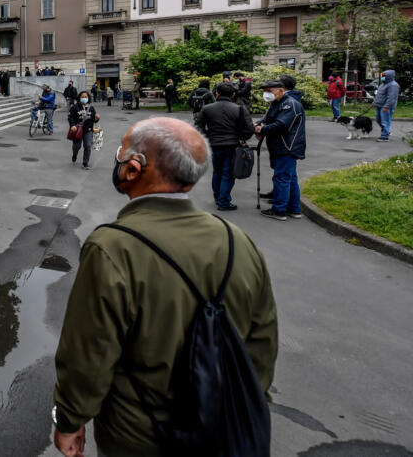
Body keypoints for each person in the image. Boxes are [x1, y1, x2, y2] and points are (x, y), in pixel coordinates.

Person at [52, 118, 278, 457]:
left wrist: (70, 419)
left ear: (132, 168)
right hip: (223, 432)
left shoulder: (112, 247)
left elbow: (90, 352)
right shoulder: (238, 241)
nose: (117, 158)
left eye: (121, 151)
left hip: (138, 436)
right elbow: (261, 342)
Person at [197, 82, 254, 211]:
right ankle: (223, 201)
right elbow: (249, 128)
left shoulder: (207, 108)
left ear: (217, 93)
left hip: (214, 144)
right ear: (233, 94)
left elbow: (198, 127)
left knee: (217, 171)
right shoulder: (239, 109)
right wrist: (242, 138)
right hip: (232, 145)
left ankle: (218, 197)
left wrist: (208, 136)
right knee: (228, 173)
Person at [254, 79, 306, 221]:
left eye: (269, 91)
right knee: (290, 179)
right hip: (281, 146)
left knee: (282, 179)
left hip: (287, 147)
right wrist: (257, 125)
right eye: (264, 91)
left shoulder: (290, 104)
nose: (266, 94)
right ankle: (294, 209)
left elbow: (281, 125)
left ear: (281, 90)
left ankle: (279, 210)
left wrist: (262, 129)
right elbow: (267, 119)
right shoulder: (277, 103)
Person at [68, 91, 98, 170]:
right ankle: (75, 154)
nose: (84, 98)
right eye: (83, 97)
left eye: (86, 97)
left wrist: (97, 118)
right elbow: (70, 117)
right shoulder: (75, 107)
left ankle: (85, 163)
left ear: (88, 98)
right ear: (79, 98)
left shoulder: (91, 108)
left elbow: (94, 119)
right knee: (77, 146)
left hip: (88, 130)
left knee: (88, 146)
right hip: (77, 130)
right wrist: (72, 125)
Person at [373, 69, 399, 142]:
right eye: (382, 76)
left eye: (384, 76)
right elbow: (379, 95)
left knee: (385, 121)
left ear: (389, 76)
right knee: (378, 119)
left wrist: (387, 107)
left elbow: (391, 98)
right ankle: (387, 131)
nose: (382, 78)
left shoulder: (393, 85)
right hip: (379, 105)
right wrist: (375, 102)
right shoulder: (382, 84)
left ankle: (384, 137)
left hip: (386, 107)